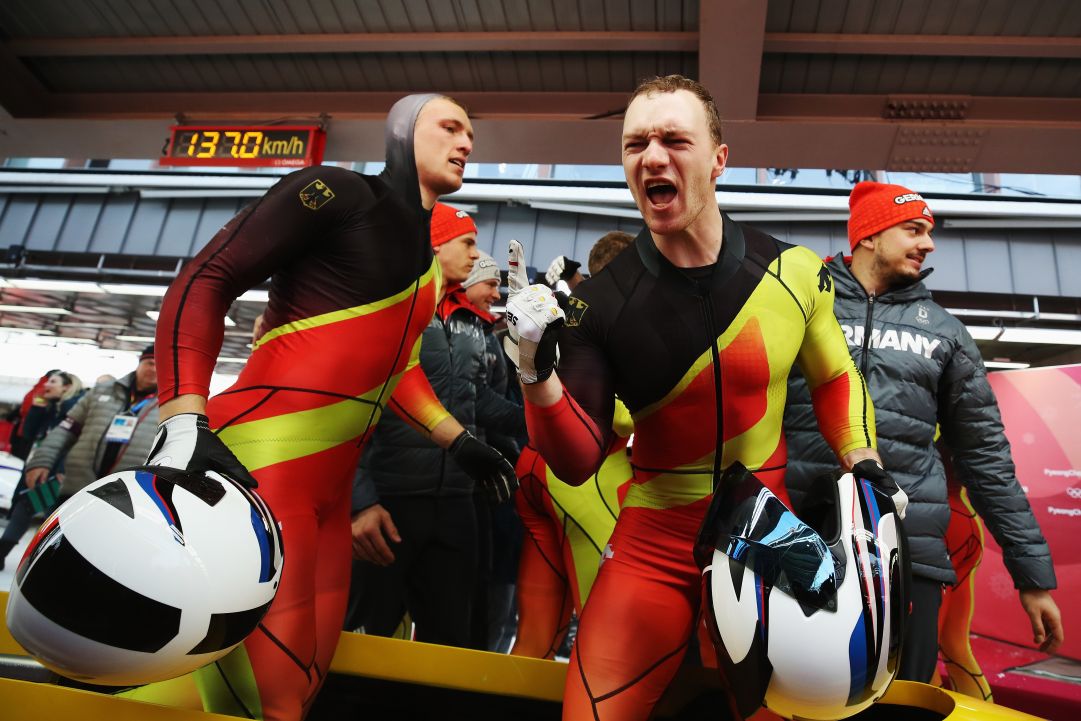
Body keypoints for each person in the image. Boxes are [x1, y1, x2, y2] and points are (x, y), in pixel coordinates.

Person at [503, 74, 893, 721]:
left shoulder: (794, 271)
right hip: (652, 543)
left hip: (764, 533)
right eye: (635, 144)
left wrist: (861, 455)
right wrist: (533, 372)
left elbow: (833, 375)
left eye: (673, 140)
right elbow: (574, 460)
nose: (652, 156)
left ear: (718, 159)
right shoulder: (598, 305)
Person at [146, 95, 516, 721]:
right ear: (402, 133)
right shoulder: (336, 193)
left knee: (308, 679)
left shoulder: (429, 273)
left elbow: (393, 369)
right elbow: (206, 278)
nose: (466, 143)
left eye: (471, 134)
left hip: (329, 498)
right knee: (274, 694)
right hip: (263, 471)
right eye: (450, 127)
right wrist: (182, 418)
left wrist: (459, 441)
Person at [783, 181, 1063, 684]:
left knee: (901, 701)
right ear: (868, 236)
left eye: (929, 232)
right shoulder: (802, 307)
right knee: (798, 698)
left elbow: (987, 460)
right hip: (803, 542)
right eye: (913, 229)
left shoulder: (945, 332)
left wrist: (1033, 579)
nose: (928, 244)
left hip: (909, 554)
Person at [347, 204, 519, 648]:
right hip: (390, 502)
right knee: (367, 636)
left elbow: (479, 401)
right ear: (434, 245)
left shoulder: (470, 324)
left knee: (452, 640)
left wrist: (548, 416)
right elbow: (353, 409)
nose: (476, 253)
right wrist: (361, 501)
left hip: (458, 503)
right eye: (467, 242)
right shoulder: (389, 310)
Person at [510, 230, 636, 660]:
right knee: (609, 639)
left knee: (535, 638)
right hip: (589, 476)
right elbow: (619, 413)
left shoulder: (562, 311)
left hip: (538, 467)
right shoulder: (619, 316)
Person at [24, 349, 155, 503]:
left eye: (159, 364)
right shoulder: (102, 390)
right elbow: (66, 429)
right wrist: (42, 460)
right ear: (139, 363)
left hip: (127, 496)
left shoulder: (173, 404)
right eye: (149, 363)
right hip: (77, 485)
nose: (154, 369)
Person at [0, 370, 84, 571]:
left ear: (66, 387)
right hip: (36, 468)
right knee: (24, 508)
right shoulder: (48, 409)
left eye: (53, 382)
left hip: (57, 474)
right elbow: (29, 434)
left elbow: (72, 443)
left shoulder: (73, 410)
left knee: (46, 517)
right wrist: (37, 408)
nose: (47, 385)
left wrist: (63, 470)